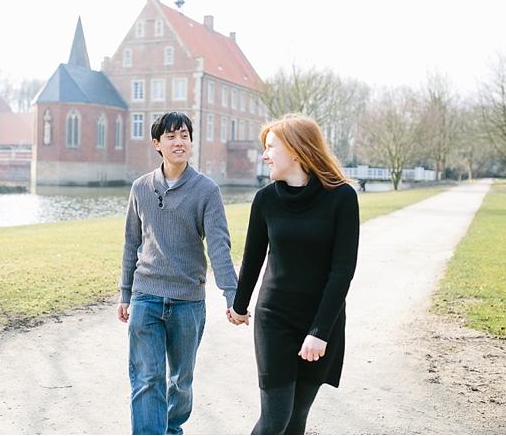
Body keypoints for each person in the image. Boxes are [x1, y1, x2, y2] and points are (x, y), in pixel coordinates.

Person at [227, 113, 360, 435]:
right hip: (275, 318)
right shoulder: (265, 200)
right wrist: (239, 304)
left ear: (297, 150)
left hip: (320, 320)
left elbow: (342, 272)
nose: (264, 155)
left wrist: (319, 332)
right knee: (275, 420)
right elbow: (253, 258)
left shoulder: (341, 198)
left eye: (270, 146)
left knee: (296, 421)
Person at [118, 111, 238, 435]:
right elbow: (131, 243)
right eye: (171, 136)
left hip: (187, 303)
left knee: (180, 382)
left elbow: (218, 247)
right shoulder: (141, 188)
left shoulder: (206, 191)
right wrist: (125, 293)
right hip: (146, 297)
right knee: (146, 378)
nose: (179, 141)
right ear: (157, 143)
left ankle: (171, 430)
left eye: (184, 135)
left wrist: (232, 294)